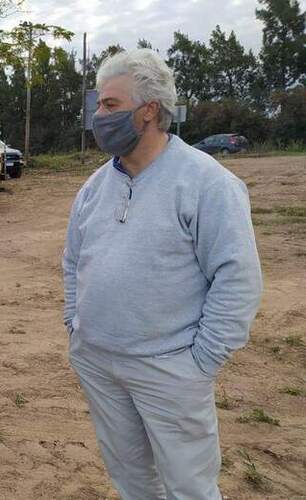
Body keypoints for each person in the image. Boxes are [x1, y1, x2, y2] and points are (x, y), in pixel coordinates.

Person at [62, 48, 263, 500]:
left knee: (189, 486)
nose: (99, 116)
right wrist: (75, 324)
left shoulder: (206, 182)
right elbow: (73, 260)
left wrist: (200, 362)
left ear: (149, 110)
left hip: (169, 367)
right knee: (131, 479)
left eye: (110, 104)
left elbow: (237, 278)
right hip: (98, 361)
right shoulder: (95, 186)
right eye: (99, 105)